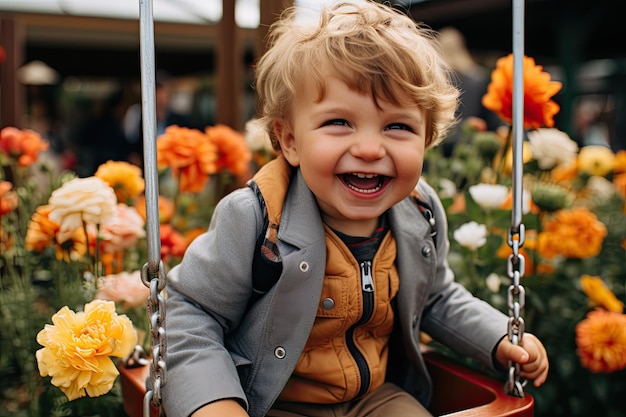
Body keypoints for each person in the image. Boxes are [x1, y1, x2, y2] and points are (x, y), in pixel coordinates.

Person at [161, 3, 549, 417]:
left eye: (397, 126)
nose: (368, 148)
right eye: (339, 123)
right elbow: (190, 312)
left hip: (375, 399)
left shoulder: (421, 211)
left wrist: (496, 337)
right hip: (273, 401)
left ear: (427, 139)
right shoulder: (256, 219)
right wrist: (214, 403)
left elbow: (435, 298)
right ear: (290, 140)